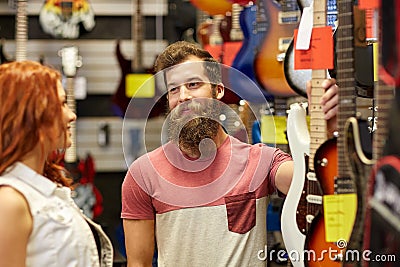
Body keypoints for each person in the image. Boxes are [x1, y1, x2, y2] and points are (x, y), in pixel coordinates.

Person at [121, 41, 338, 266]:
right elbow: (138, 263)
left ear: (219, 90)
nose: (183, 96)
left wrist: (329, 128)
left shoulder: (260, 161)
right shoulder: (143, 174)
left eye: (193, 84)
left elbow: (316, 183)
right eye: (173, 89)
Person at [0, 61, 113, 266]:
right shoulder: (10, 200)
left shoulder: (44, 188)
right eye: (61, 104)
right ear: (31, 114)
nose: (72, 115)